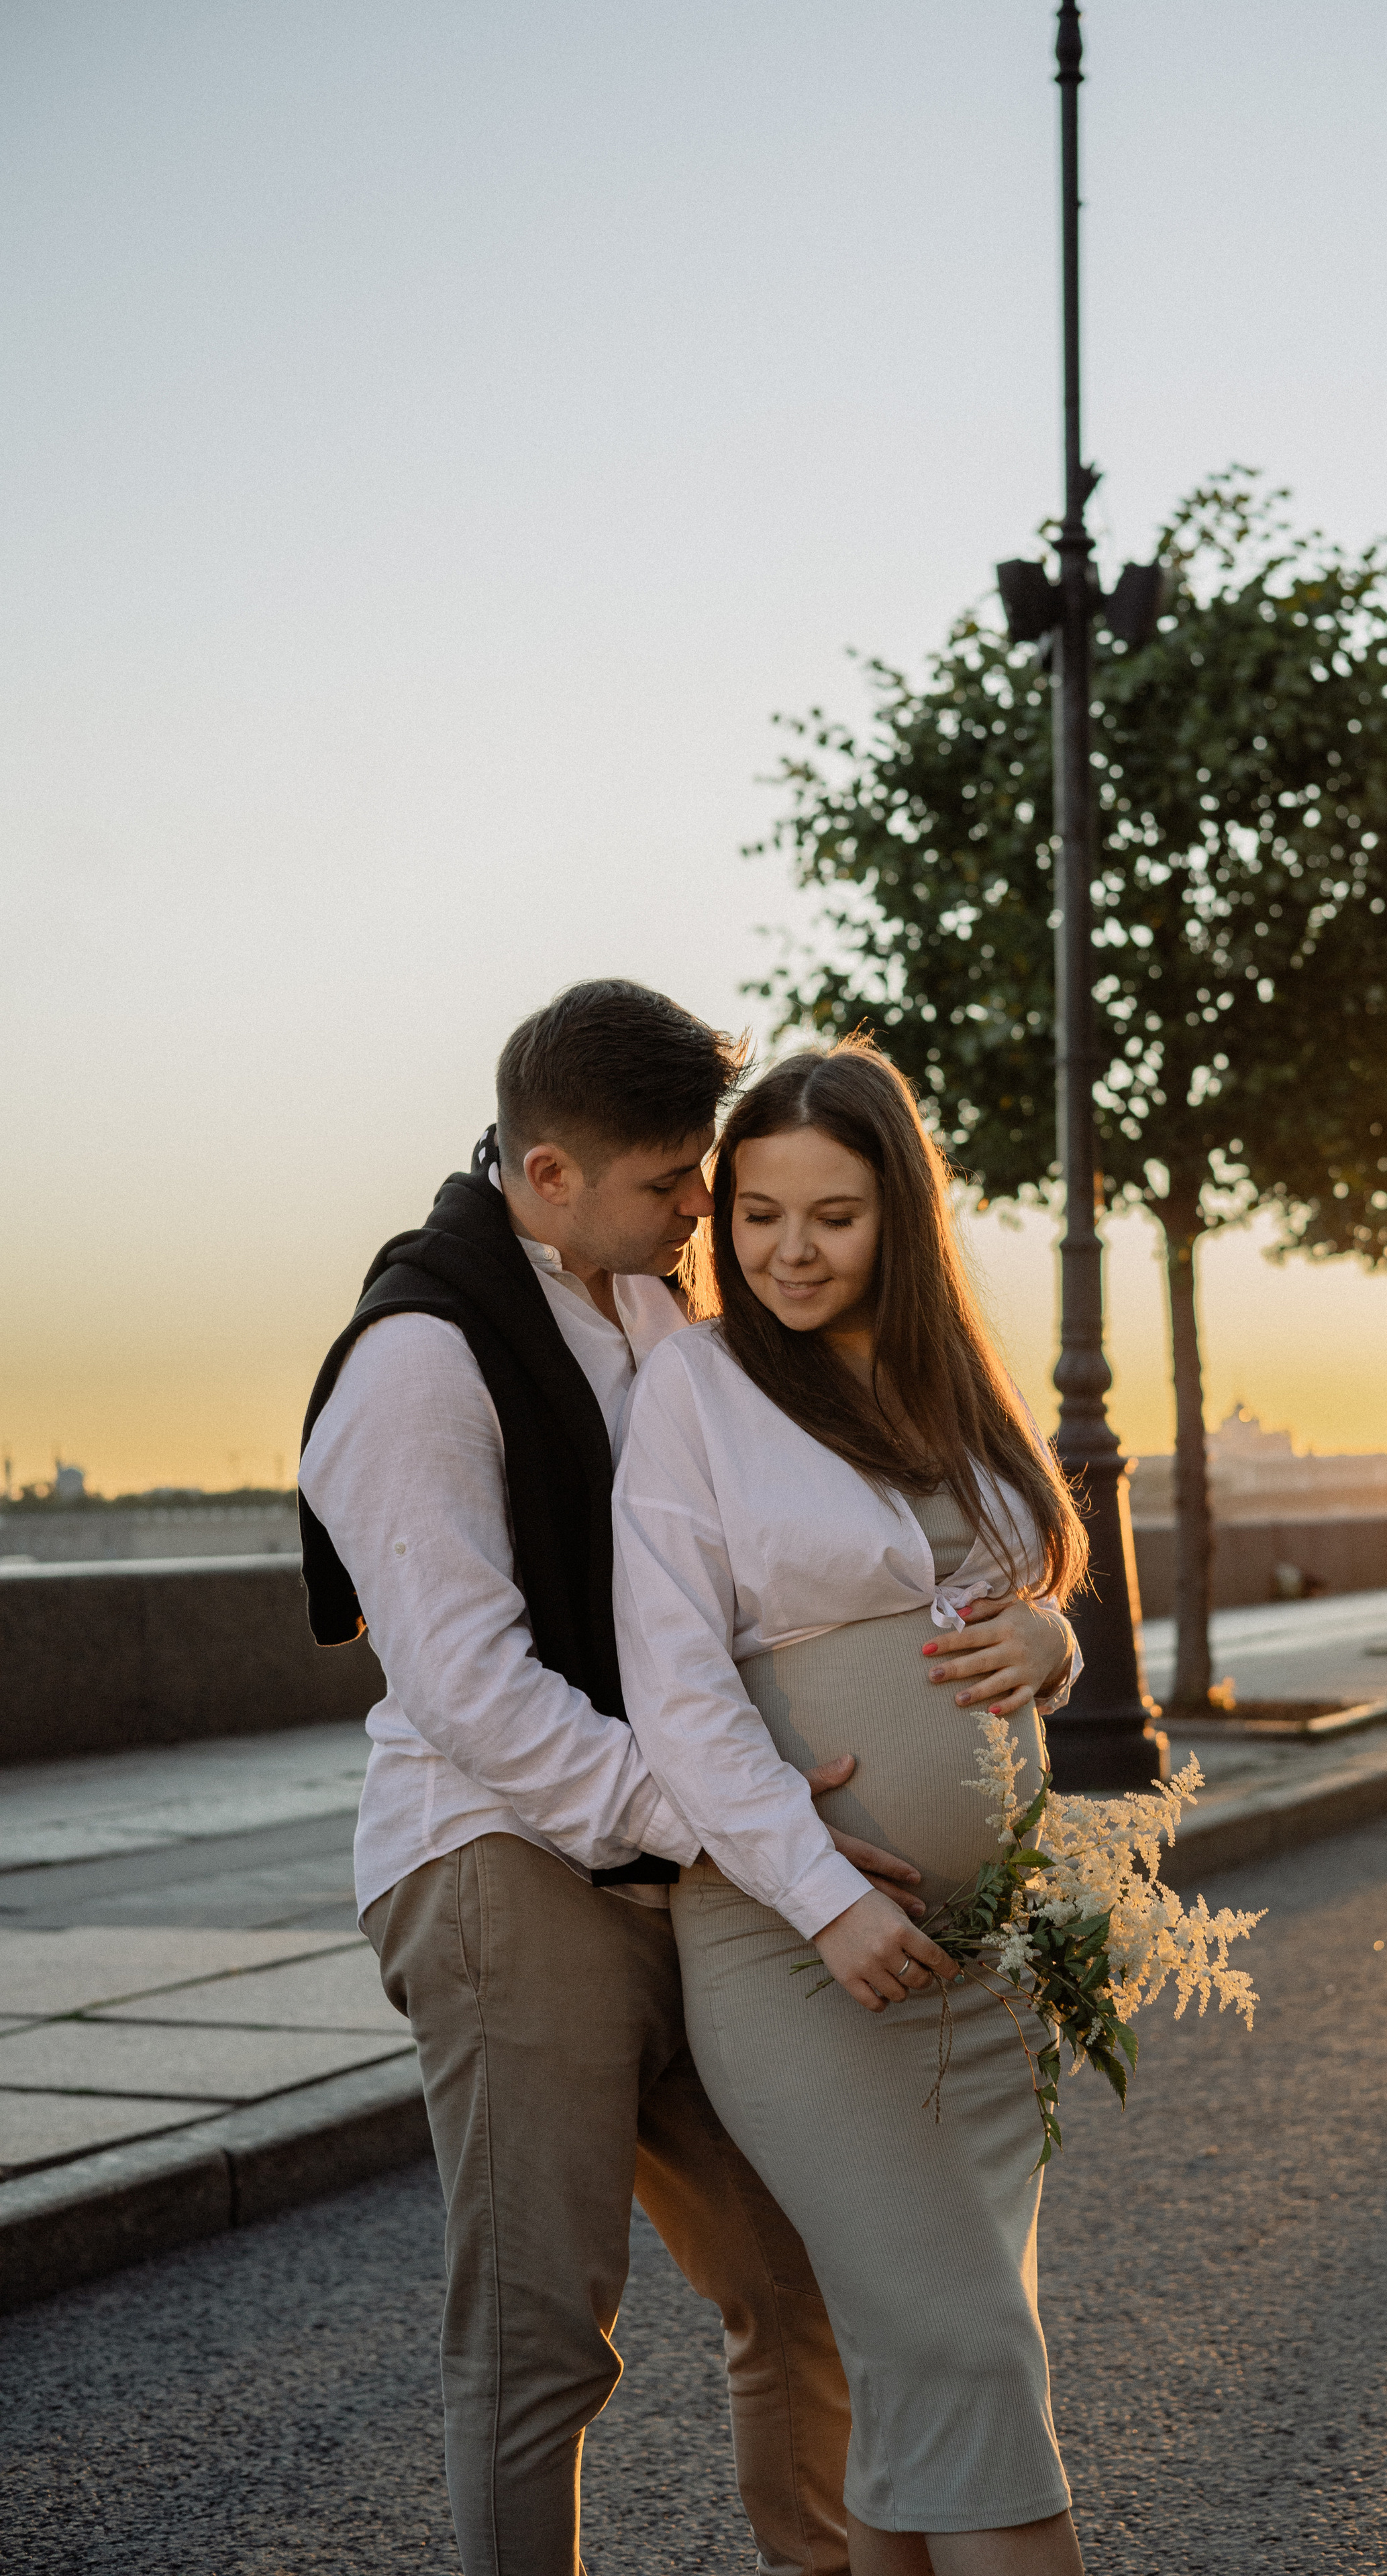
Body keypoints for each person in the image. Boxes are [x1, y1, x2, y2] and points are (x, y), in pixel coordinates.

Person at [296, 981, 1072, 2576]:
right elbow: (467, 1695)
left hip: (701, 1881)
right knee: (542, 2333)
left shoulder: (645, 1303)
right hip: (506, 1869)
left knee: (798, 2283)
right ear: (549, 1171)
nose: (705, 1219)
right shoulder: (418, 1365)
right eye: (674, 1188)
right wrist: (746, 1823)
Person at [613, 1038, 1091, 2576]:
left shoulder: (948, 1377)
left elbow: (1034, 1572)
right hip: (795, 1949)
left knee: (918, 2366)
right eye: (756, 1215)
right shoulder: (695, 1385)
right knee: (964, 2346)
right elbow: (673, 1683)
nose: (788, 1252)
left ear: (900, 1214)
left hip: (980, 1960)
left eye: (830, 1215)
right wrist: (824, 1895)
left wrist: (1053, 1636)